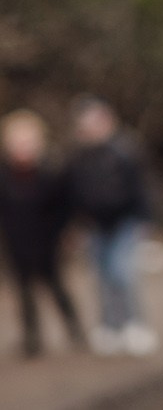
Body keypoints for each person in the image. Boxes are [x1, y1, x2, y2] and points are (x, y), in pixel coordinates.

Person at [66, 97, 158, 356]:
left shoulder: (126, 150)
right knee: (102, 277)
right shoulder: (77, 157)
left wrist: (145, 220)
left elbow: (143, 187)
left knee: (122, 274)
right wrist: (75, 225)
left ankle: (135, 324)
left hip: (124, 222)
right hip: (94, 226)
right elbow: (72, 194)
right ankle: (110, 326)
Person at [0, 108, 86, 357]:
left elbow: (65, 206)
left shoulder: (52, 172)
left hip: (48, 242)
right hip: (17, 242)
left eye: (27, 141)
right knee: (24, 292)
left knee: (57, 287)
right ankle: (32, 338)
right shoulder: (5, 175)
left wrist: (65, 233)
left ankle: (75, 329)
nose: (22, 148)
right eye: (17, 142)